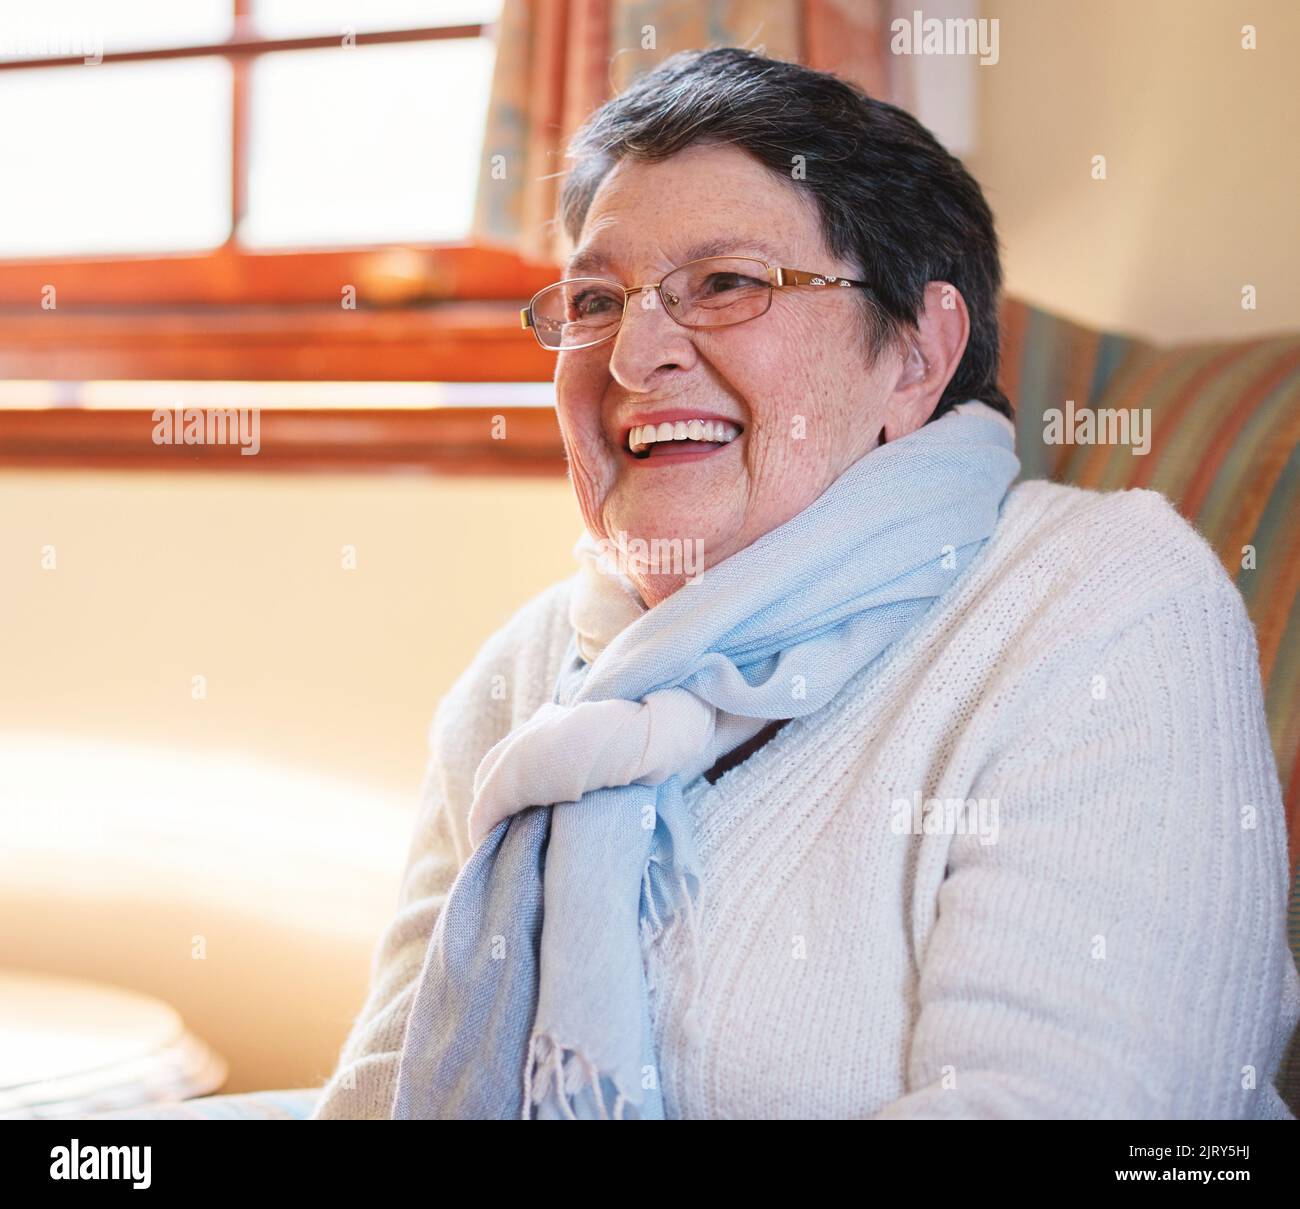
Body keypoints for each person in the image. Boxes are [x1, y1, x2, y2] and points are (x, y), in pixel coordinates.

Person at [313, 48, 1299, 1120]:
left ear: (916, 355)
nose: (637, 354)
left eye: (728, 284)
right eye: (596, 299)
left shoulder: (1100, 605)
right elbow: (383, 1096)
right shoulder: (525, 676)